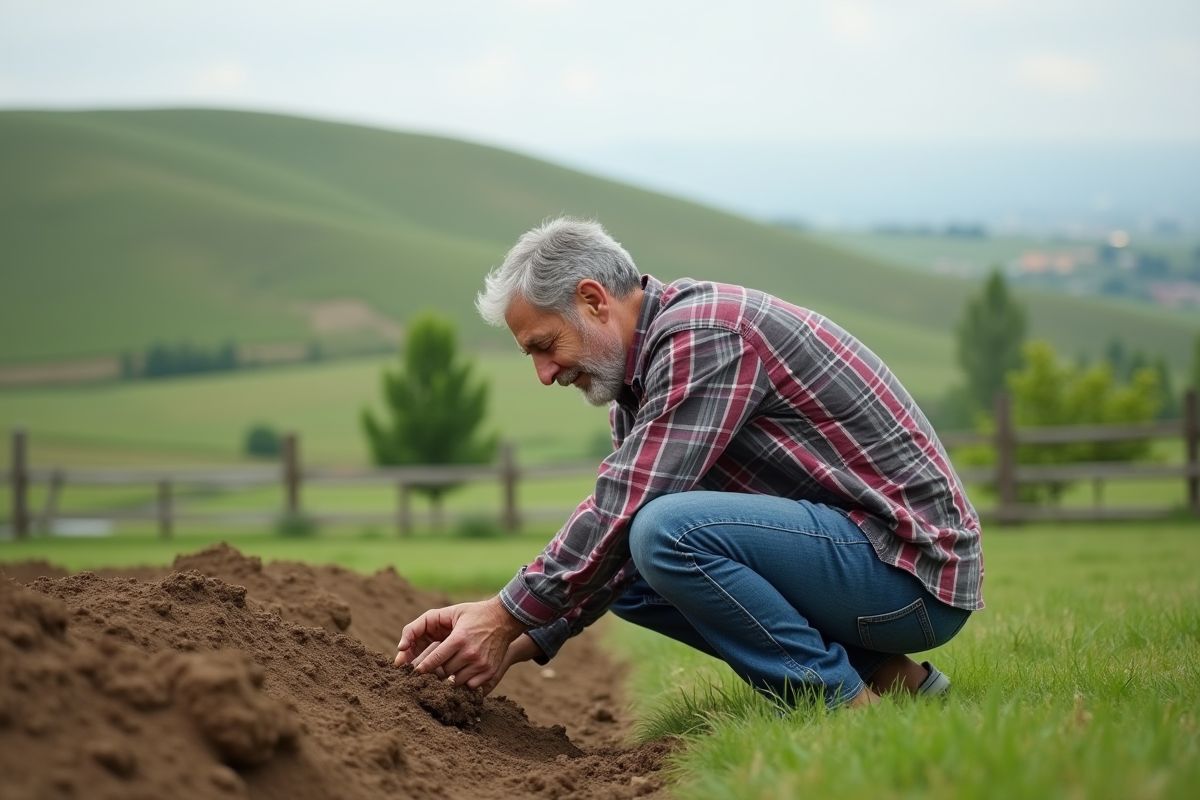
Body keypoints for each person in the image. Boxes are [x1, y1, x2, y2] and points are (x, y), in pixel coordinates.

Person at [395, 217, 983, 710]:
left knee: (660, 531)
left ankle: (843, 706)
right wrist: (515, 634)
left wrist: (504, 614)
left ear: (593, 300)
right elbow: (612, 545)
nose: (544, 374)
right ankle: (897, 684)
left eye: (544, 346)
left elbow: (627, 504)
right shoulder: (643, 379)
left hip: (909, 573)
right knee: (624, 562)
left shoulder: (704, 336)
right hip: (862, 566)